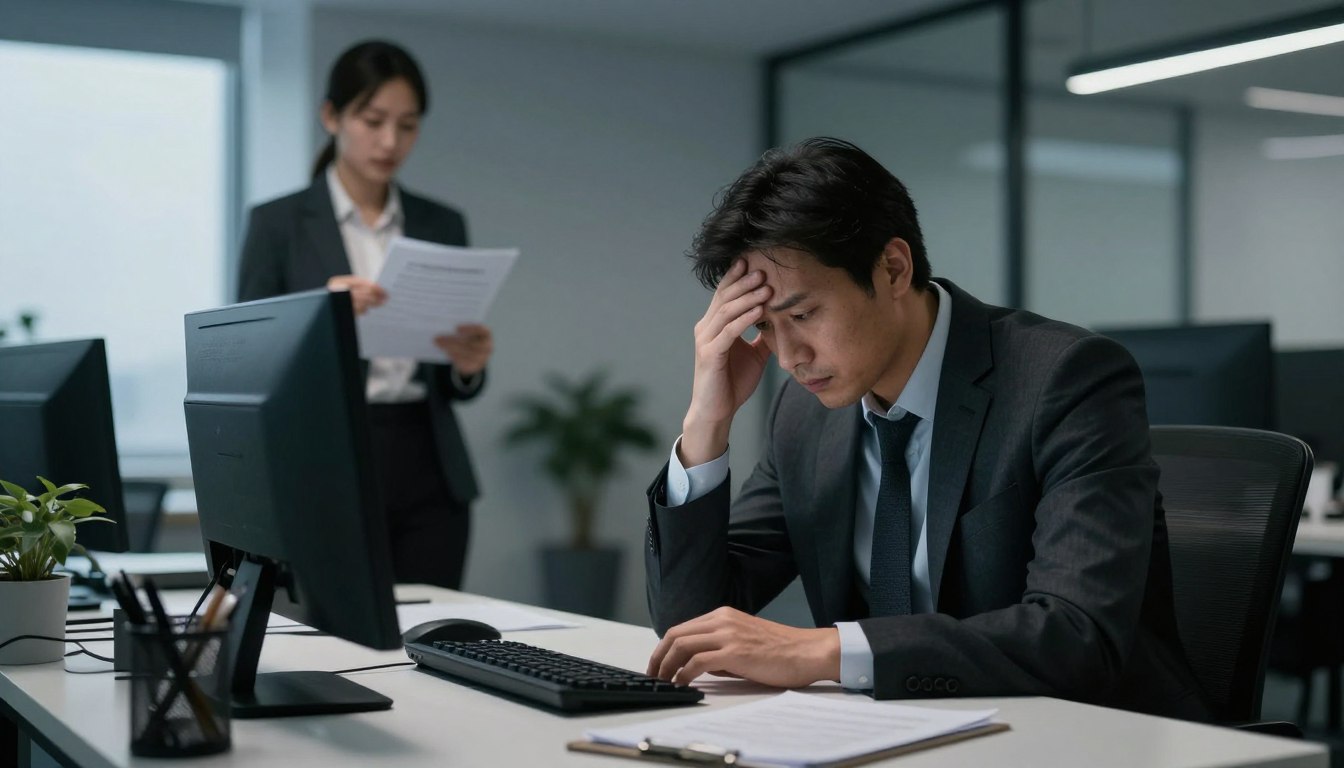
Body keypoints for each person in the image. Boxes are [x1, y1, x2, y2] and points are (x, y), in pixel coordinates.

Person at [643, 137, 1209, 721]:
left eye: (803, 315)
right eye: (763, 326)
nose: (788, 357)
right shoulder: (805, 414)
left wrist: (830, 650)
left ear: (893, 267)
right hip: (895, 733)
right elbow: (692, 628)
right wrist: (706, 423)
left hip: (1086, 735)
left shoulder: (1064, 379)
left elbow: (1076, 634)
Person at [237, 40, 491, 589]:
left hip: (428, 463)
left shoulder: (442, 222)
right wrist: (321, 312)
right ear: (332, 116)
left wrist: (467, 363)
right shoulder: (277, 224)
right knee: (330, 644)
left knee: (432, 636)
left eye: (407, 125)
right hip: (324, 457)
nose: (389, 141)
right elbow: (244, 361)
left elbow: (454, 381)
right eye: (372, 120)